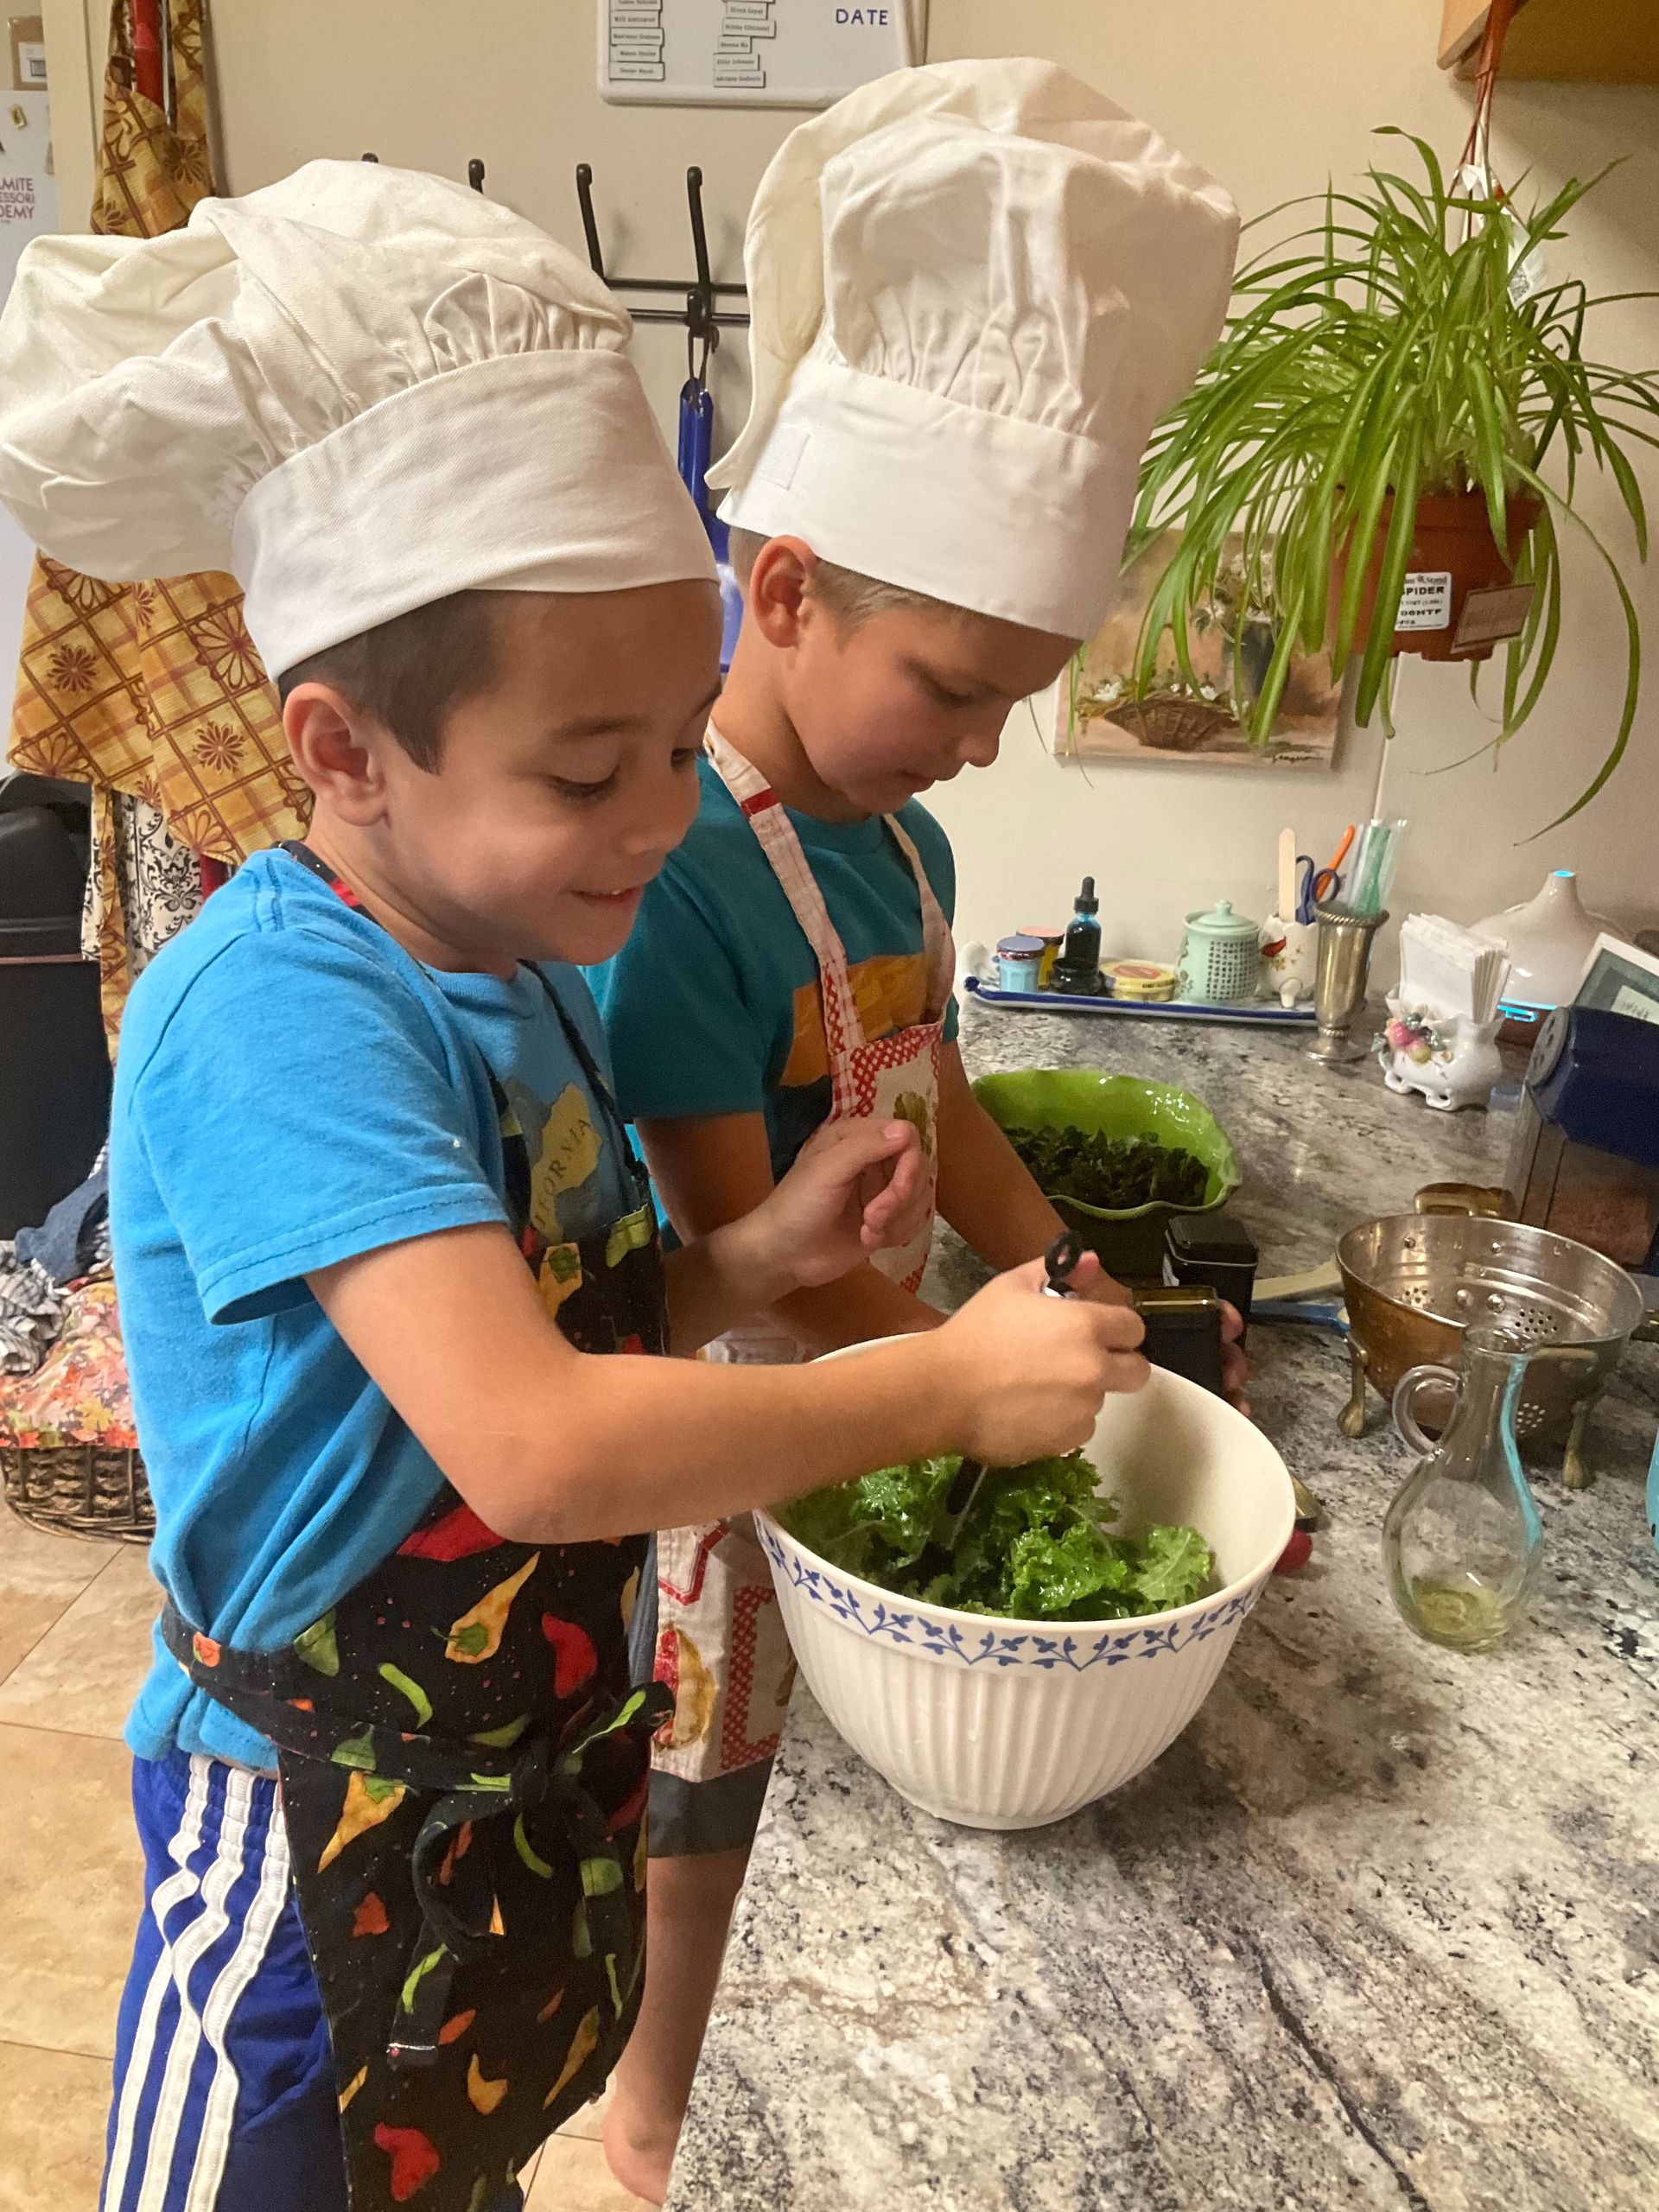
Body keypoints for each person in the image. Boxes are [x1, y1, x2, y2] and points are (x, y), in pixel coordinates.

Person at [0, 161, 1144, 2212]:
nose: (659, 818)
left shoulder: (535, 967)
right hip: (305, 1831)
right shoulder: (280, 1010)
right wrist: (948, 1382)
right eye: (583, 768)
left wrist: (740, 1262)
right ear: (343, 747)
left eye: (679, 744)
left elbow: (576, 1322)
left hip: (514, 1779)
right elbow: (524, 1442)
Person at [595, 58, 1243, 2201]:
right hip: (743, 1414)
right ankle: (663, 2101)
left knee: (814, 1781)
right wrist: (957, 1384)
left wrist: (1064, 1269)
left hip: (883, 1374)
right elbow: (737, 1248)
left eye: (1008, 701)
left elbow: (931, 1090)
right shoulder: (681, 869)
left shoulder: (894, 841)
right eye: (956, 683)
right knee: (705, 1789)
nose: (978, 744)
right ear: (784, 593)